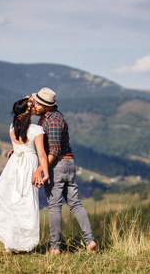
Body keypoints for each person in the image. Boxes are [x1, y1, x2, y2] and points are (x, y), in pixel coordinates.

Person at [31, 87, 97, 254]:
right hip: (68, 163)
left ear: (46, 105)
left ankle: (54, 247)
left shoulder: (52, 122)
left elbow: (53, 151)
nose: (34, 104)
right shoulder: (53, 117)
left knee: (54, 206)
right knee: (75, 203)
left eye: (38, 103)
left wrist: (40, 170)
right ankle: (90, 241)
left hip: (57, 165)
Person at [0, 96, 49, 252]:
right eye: (33, 106)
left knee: (12, 201)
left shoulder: (12, 127)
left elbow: (19, 146)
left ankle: (12, 239)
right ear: (29, 111)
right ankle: (25, 242)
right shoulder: (36, 130)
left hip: (13, 166)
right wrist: (45, 173)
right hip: (27, 167)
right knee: (26, 200)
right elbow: (42, 154)